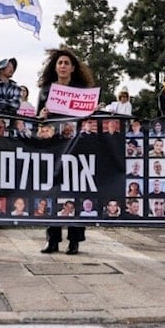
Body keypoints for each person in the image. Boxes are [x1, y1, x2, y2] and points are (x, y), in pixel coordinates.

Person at [36, 47, 94, 254]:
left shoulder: (82, 92)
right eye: (59, 63)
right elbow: (37, 120)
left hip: (76, 148)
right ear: (55, 66)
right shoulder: (45, 91)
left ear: (72, 68)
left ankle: (75, 239)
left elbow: (89, 119)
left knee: (75, 192)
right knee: (52, 192)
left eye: (66, 63)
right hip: (53, 147)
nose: (62, 66)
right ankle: (52, 239)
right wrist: (41, 114)